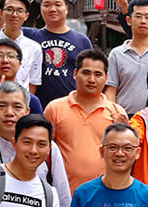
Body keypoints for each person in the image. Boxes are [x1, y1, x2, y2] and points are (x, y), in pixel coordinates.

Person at [0, 80, 71, 207]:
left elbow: (63, 200)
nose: (9, 113)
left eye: (17, 107)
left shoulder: (47, 149)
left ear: (27, 111)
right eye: (2, 106)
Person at [44, 48, 128, 194]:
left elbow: (125, 157)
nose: (91, 80)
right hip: (64, 194)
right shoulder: (55, 109)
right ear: (75, 74)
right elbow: (45, 152)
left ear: (106, 78)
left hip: (105, 195)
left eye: (98, 74)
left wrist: (124, 129)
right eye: (86, 73)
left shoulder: (117, 113)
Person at [22, 0, 92, 106]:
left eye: (58, 4)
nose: (52, 9)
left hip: (72, 107)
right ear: (41, 9)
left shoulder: (82, 41)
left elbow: (90, 75)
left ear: (66, 8)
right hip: (37, 108)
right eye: (47, 5)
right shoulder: (29, 36)